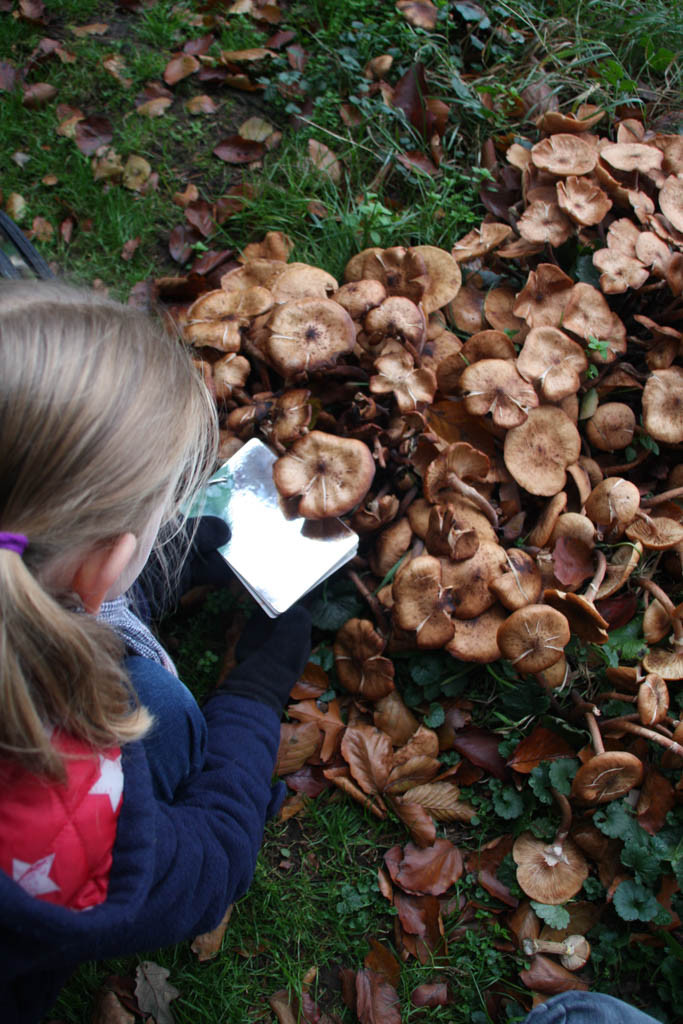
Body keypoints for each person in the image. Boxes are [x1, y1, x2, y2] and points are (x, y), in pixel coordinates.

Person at [0, 281, 312, 1023]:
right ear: (101, 569)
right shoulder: (64, 807)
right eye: (155, 526)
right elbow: (210, 862)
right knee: (163, 715)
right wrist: (255, 693)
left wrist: (148, 577)